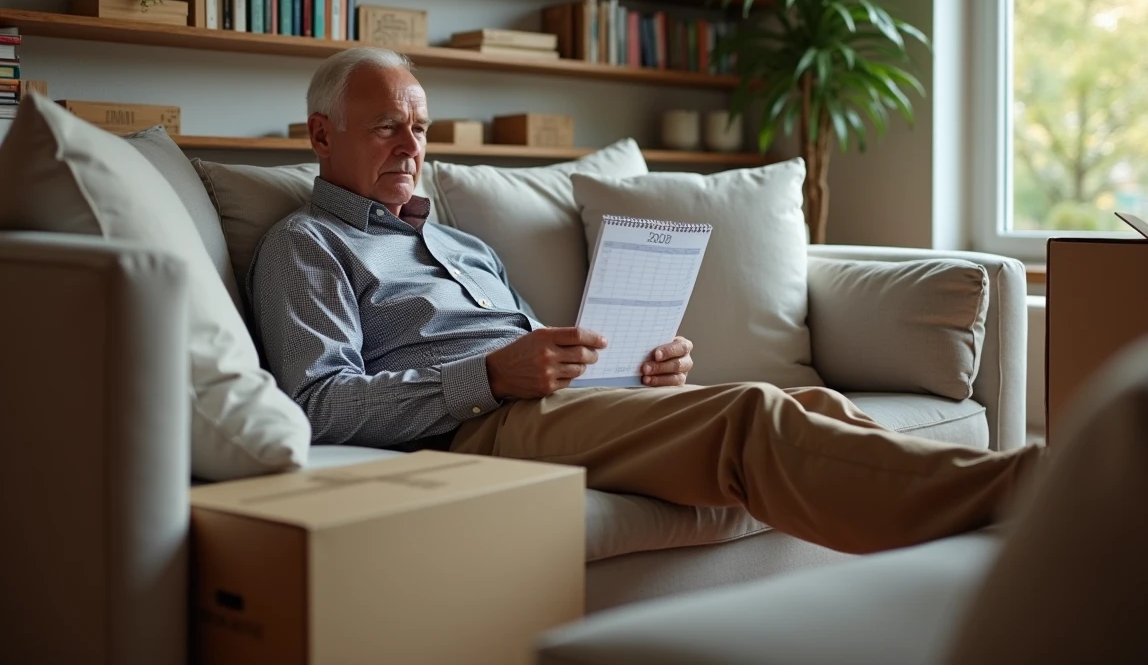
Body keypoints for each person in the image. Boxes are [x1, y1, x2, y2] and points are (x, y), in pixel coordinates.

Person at [249, 48, 1042, 555]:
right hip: (479, 428)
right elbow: (318, 403)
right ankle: (1029, 497)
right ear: (321, 135)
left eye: (420, 129)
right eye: (387, 128)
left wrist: (628, 364)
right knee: (750, 417)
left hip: (560, 401)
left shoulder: (461, 244)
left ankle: (988, 515)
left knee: (814, 405)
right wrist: (487, 376)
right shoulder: (306, 244)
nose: (411, 148)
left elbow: (532, 346)